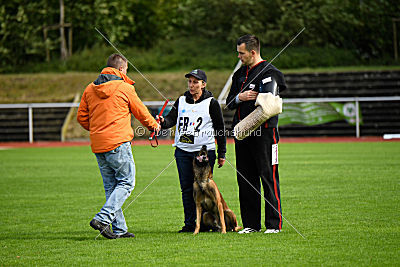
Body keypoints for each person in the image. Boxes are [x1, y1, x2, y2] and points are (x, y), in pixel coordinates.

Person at [77, 53, 160, 239]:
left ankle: (119, 229)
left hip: (99, 144)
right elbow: (141, 112)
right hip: (118, 143)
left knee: (111, 187)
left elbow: (81, 117)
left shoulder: (90, 89)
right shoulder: (124, 88)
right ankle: (102, 218)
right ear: (121, 69)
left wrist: (98, 130)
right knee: (127, 183)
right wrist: (154, 126)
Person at [226, 34, 287, 234]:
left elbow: (270, 104)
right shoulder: (238, 75)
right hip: (242, 135)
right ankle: (251, 224)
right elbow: (228, 103)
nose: (239, 57)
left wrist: (256, 98)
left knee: (268, 176)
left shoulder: (271, 72)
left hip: (265, 134)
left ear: (253, 52)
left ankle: (273, 225)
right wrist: (239, 97)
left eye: (241, 53)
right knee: (245, 179)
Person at [158, 69, 226, 233]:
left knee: (206, 189)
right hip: (183, 151)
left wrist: (222, 153)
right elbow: (171, 120)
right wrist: (162, 121)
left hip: (203, 153)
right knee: (187, 188)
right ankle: (190, 224)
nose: (191, 85)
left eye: (195, 82)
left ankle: (209, 223)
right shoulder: (181, 100)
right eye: (190, 81)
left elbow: (220, 129)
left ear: (203, 84)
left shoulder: (211, 103)